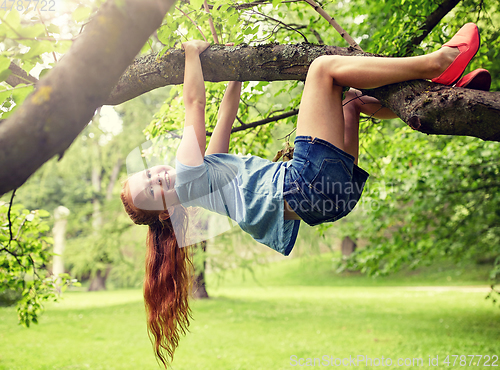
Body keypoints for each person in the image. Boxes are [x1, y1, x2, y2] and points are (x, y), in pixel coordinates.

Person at [120, 23, 481, 366]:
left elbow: (224, 117)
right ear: (166, 212)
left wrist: (234, 71)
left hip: (330, 201)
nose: (159, 178)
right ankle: (439, 62)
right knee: (323, 70)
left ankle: (441, 100)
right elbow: (194, 105)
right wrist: (192, 54)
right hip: (306, 185)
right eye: (153, 191)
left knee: (351, 102)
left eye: (150, 174)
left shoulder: (205, 179)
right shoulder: (187, 177)